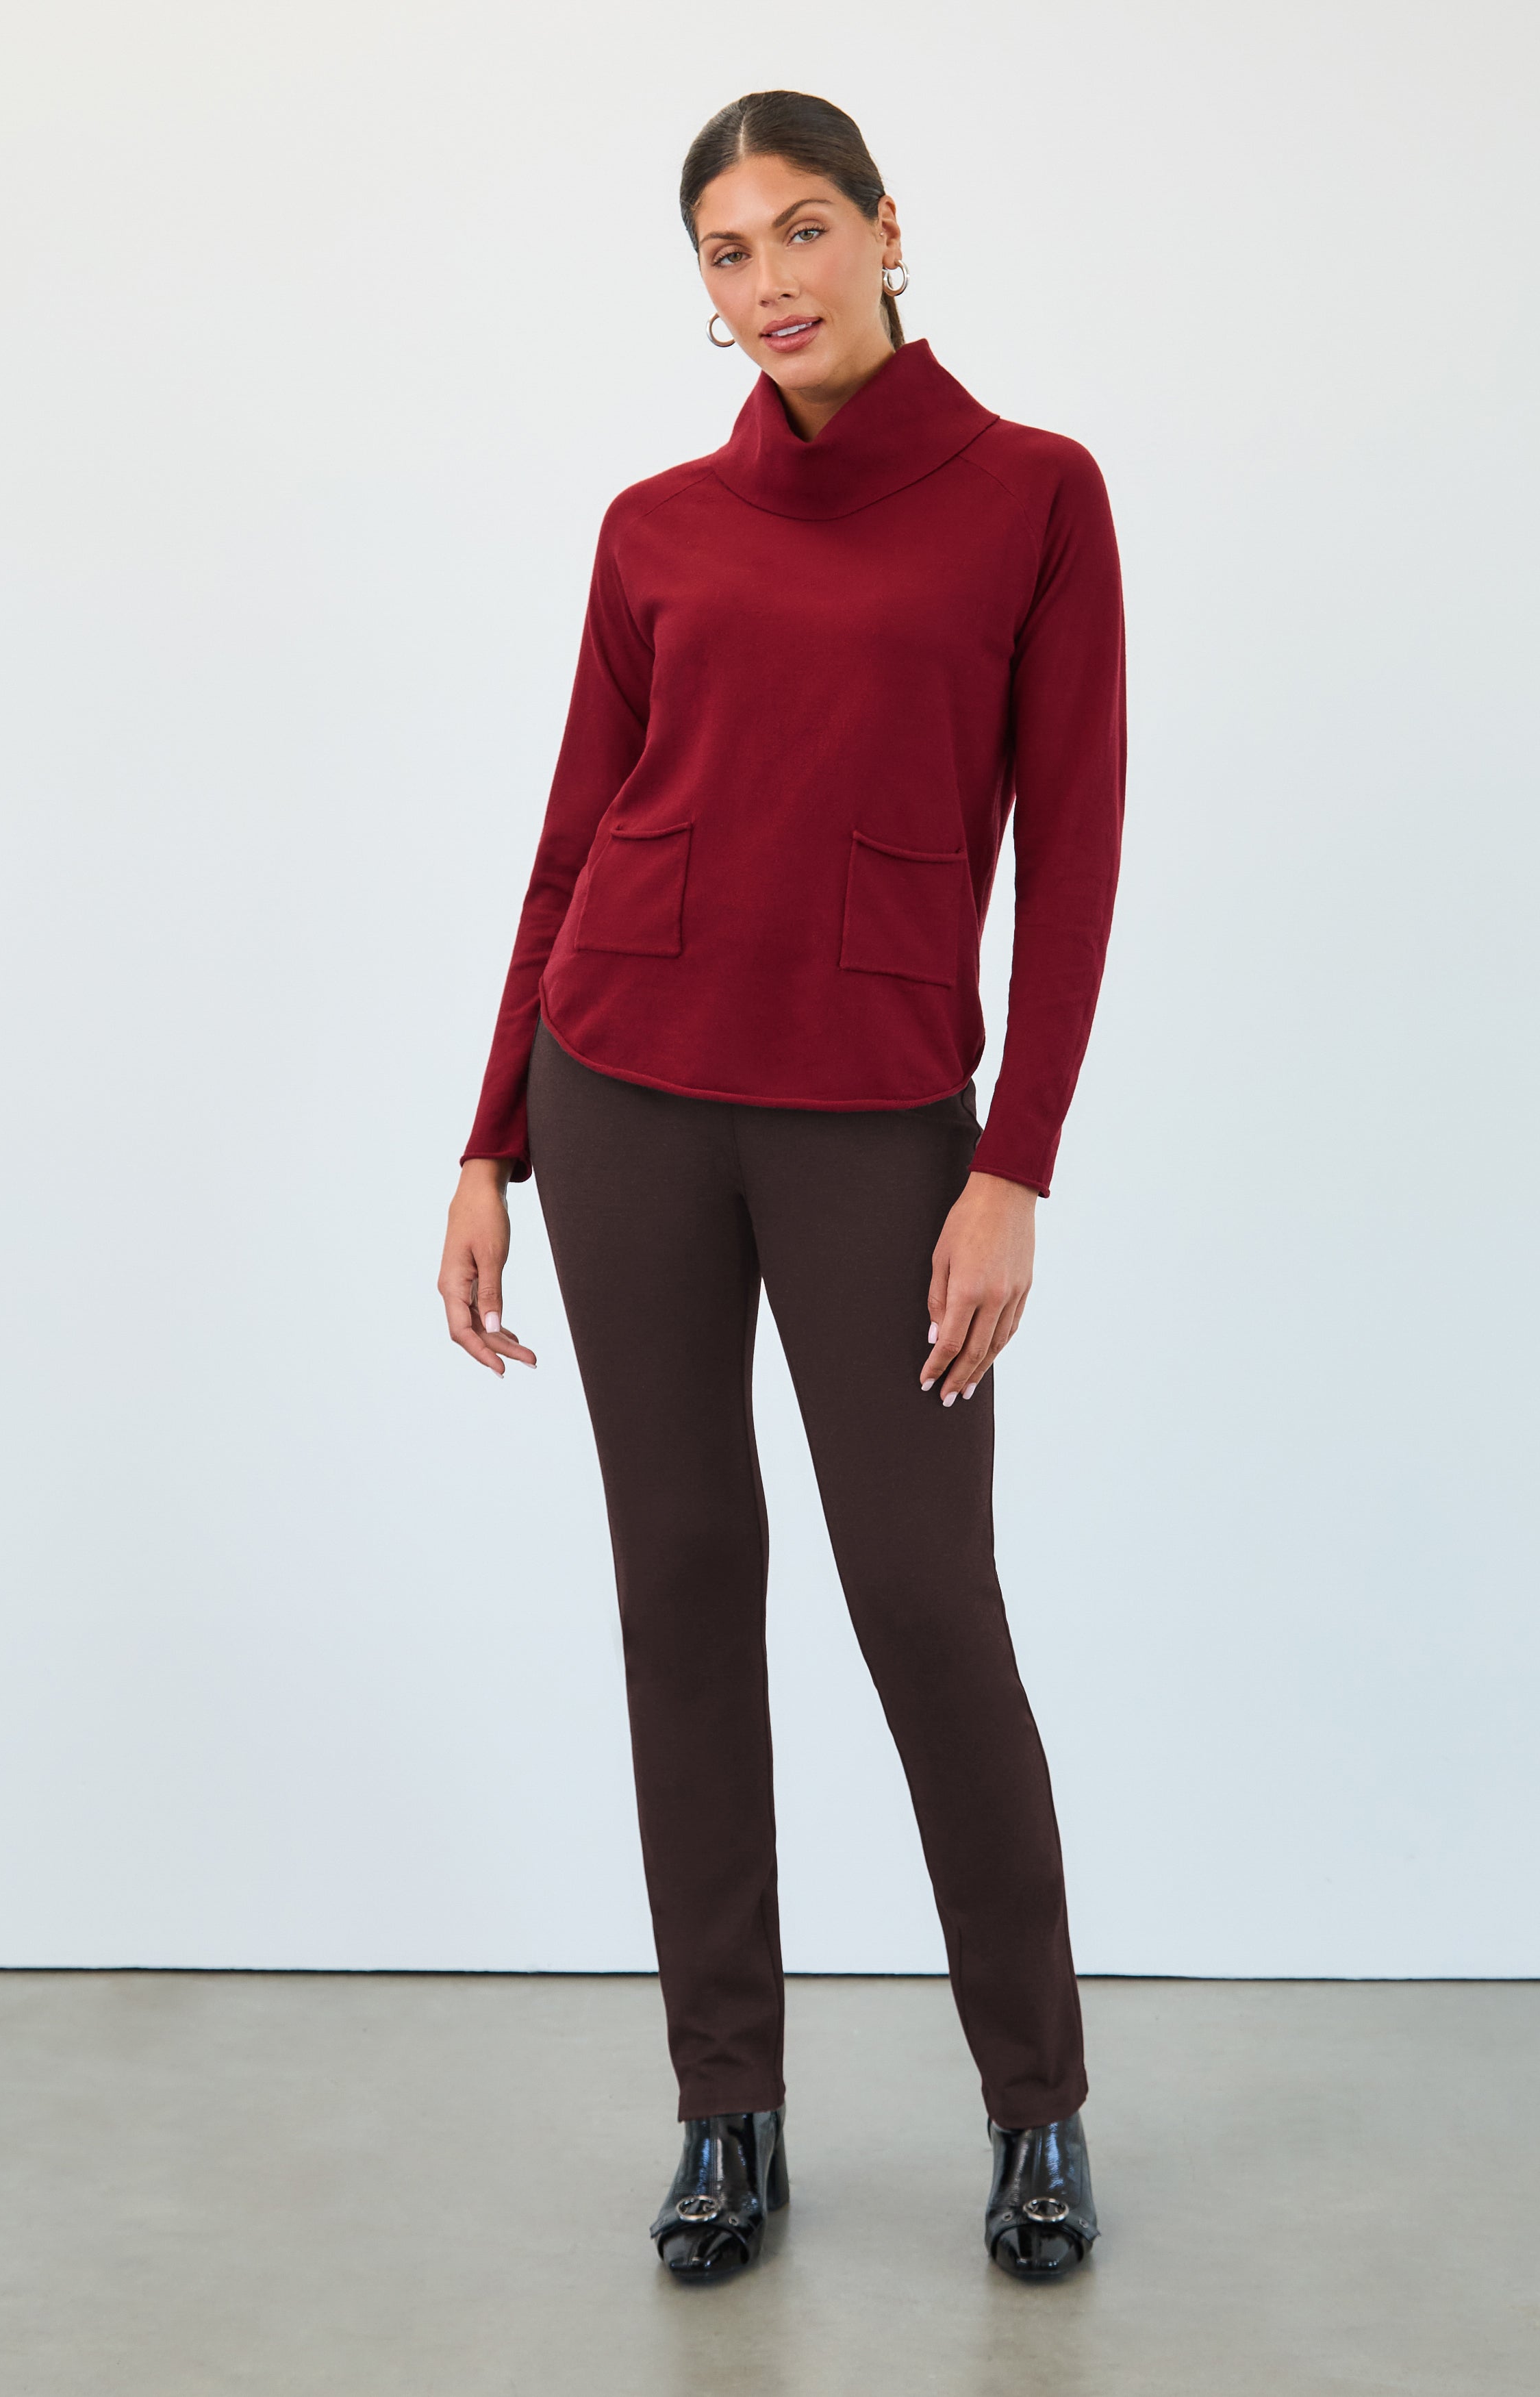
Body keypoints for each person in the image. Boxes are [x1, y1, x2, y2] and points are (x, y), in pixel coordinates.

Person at [438, 88, 1126, 2282]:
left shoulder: (1033, 496)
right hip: (621, 1092)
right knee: (680, 1583)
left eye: (802, 229)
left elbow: (1074, 849)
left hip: (875, 1121)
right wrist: (487, 1134)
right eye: (727, 253)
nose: (769, 283)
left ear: (886, 228)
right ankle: (724, 2107)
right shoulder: (654, 527)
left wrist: (1012, 1163)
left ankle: (1036, 2106)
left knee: (924, 1598)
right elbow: (572, 835)